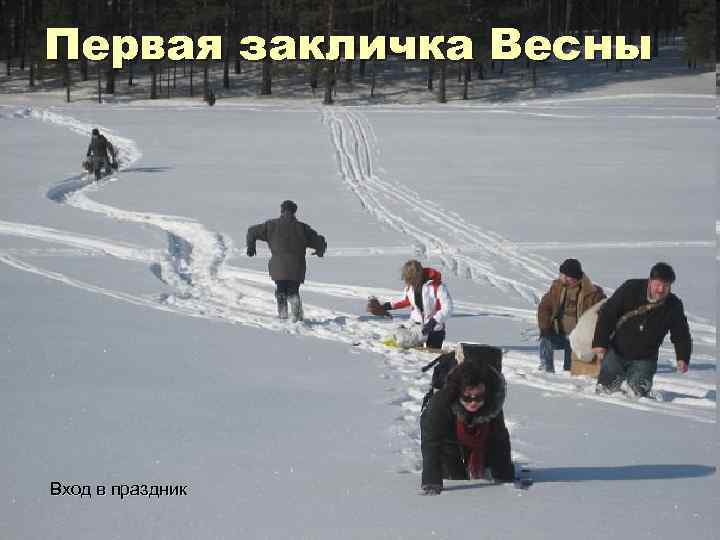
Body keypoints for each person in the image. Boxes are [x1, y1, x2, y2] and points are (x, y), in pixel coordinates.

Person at [420, 344, 514, 495]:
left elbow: (499, 439)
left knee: (488, 465)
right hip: (448, 437)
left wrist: (506, 476)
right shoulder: (441, 403)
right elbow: (431, 441)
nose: (473, 402)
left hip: (478, 437)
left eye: (478, 397)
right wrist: (431, 481)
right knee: (454, 475)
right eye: (467, 397)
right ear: (458, 392)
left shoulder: (492, 404)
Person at [592, 262, 691, 397]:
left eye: (666, 286)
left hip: (645, 358)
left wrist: (682, 357)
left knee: (638, 396)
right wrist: (600, 342)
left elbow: (681, 334)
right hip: (616, 352)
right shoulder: (630, 289)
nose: (661, 289)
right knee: (605, 392)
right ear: (650, 281)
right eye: (658, 284)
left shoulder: (674, 306)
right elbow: (608, 313)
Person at [246, 200, 327, 322]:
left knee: (281, 289)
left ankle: (283, 315)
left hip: (279, 266)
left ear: (282, 210)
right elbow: (319, 241)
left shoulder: (271, 225)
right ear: (294, 211)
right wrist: (320, 252)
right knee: (293, 289)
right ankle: (297, 315)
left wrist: (251, 247)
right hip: (297, 266)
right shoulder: (303, 228)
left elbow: (252, 231)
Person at [537, 258, 605, 372]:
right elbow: (544, 307)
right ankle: (546, 370)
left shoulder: (593, 294)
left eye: (563, 275)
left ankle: (569, 374)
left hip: (578, 338)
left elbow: (604, 312)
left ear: (571, 277)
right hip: (559, 334)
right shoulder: (557, 287)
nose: (560, 277)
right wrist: (545, 328)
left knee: (570, 369)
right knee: (545, 339)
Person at [379, 260, 453, 349]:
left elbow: (447, 308)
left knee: (430, 357)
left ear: (418, 275)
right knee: (415, 356)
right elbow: (405, 300)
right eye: (407, 279)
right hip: (416, 328)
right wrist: (385, 306)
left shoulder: (438, 286)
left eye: (411, 279)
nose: (409, 283)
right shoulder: (410, 287)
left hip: (435, 329)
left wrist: (434, 321)